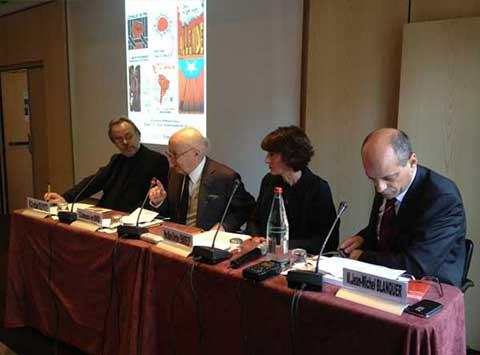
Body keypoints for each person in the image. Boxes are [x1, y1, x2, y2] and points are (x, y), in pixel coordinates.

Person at [340, 128, 466, 286]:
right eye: (372, 179)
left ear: (412, 163)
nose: (380, 188)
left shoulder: (442, 198)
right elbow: (389, 229)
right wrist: (363, 238)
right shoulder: (386, 184)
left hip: (431, 287)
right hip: (385, 280)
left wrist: (362, 257)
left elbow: (417, 266)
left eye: (388, 178)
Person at [44, 117, 169, 213]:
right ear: (114, 142)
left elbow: (156, 198)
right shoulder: (116, 160)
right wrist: (65, 198)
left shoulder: (156, 160)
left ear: (138, 135)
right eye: (119, 139)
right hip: (106, 216)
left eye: (128, 136)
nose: (125, 142)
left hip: (131, 219)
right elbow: (93, 182)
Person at [248, 126, 338, 254]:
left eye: (272, 154)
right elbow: (254, 219)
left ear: (290, 156)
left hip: (303, 261)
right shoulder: (268, 181)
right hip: (267, 255)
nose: (266, 160)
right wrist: (256, 236)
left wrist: (284, 245)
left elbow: (327, 240)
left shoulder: (318, 189)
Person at [149, 127, 255, 231]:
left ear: (196, 153)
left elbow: (245, 209)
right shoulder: (174, 173)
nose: (171, 161)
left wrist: (223, 227)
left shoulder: (225, 177)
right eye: (169, 155)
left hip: (207, 241)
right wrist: (159, 202)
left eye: (175, 155)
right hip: (176, 238)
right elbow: (172, 212)